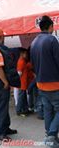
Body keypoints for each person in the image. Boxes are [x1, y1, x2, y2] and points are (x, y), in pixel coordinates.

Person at [30, 15, 59, 147]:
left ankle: (49, 135)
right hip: (54, 82)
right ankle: (52, 135)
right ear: (50, 27)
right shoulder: (52, 40)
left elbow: (33, 65)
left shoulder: (34, 42)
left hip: (40, 82)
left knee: (48, 110)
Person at [16, 48, 30, 116]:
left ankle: (25, 109)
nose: (26, 55)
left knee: (23, 97)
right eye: (25, 53)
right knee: (21, 97)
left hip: (23, 83)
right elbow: (19, 73)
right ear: (22, 54)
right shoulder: (21, 61)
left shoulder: (22, 61)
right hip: (22, 83)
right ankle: (19, 110)